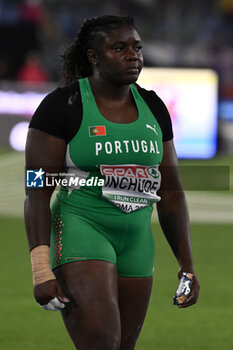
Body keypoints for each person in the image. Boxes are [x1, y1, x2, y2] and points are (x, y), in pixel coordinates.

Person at [24, 15, 200, 350]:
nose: (133, 55)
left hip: (136, 238)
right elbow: (36, 191)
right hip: (81, 228)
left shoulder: (153, 107)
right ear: (94, 56)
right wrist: (40, 269)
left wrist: (187, 267)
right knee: (102, 342)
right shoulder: (62, 107)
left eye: (137, 47)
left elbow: (172, 192)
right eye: (119, 48)